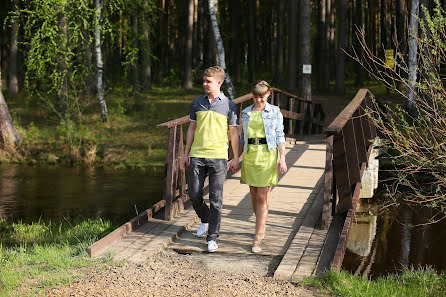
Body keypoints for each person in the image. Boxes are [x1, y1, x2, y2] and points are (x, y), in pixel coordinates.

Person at [183, 66, 240, 253]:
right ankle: (205, 219)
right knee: (194, 194)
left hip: (218, 157)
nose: (205, 84)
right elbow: (191, 128)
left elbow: (234, 133)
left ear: (219, 82)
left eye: (208, 81)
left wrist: (236, 157)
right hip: (197, 155)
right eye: (204, 81)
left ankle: (212, 238)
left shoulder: (229, 105)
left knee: (216, 199)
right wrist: (186, 153)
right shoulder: (197, 102)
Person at [240, 80, 287, 253]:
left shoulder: (275, 112)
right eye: (255, 97)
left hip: (267, 155)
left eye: (262, 96)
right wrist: (236, 158)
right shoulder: (246, 112)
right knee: (254, 194)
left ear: (268, 94)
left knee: (261, 196)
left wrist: (282, 158)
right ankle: (262, 223)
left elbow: (280, 135)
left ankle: (257, 237)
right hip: (251, 155)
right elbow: (242, 138)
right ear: (252, 96)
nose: (259, 100)